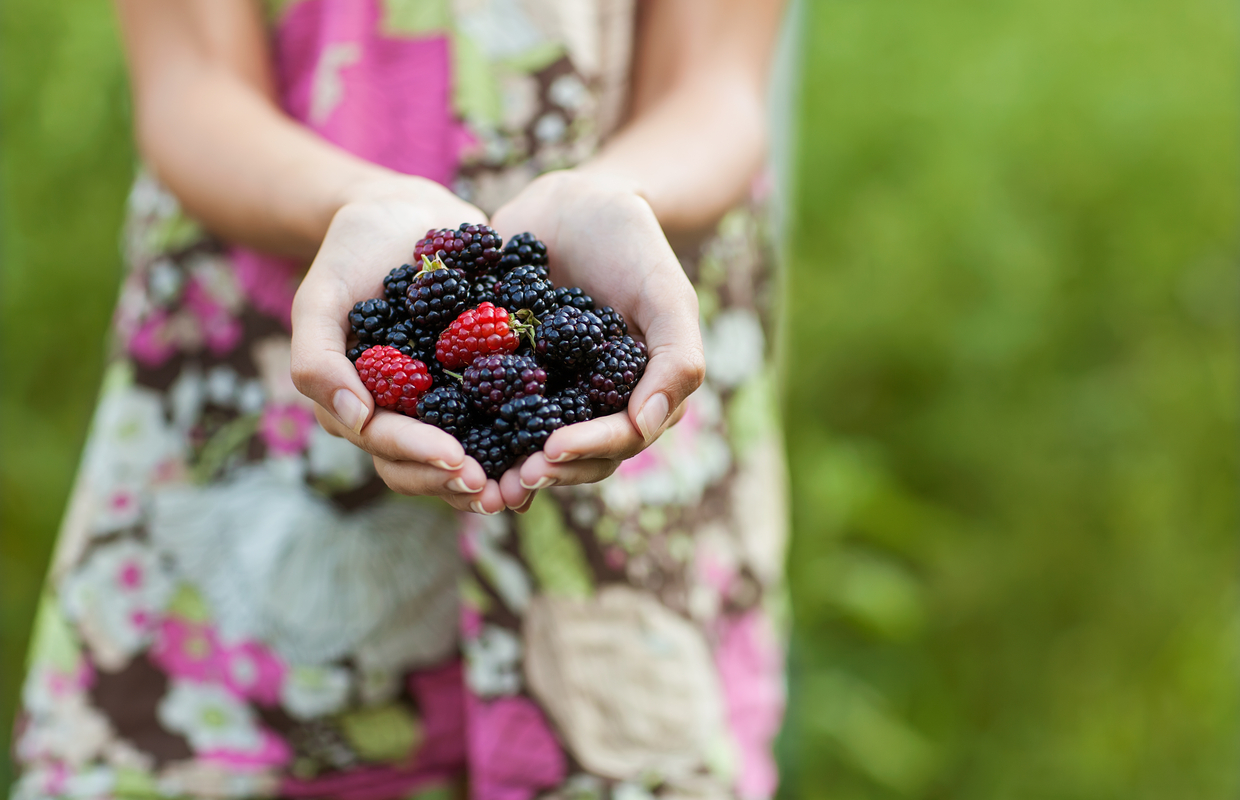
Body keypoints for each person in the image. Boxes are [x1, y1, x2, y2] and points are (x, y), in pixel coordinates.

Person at [12, 1, 790, 798]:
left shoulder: (559, 328)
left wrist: (617, 195)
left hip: (625, 297)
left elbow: (715, 90)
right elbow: (191, 87)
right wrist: (353, 203)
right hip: (271, 366)